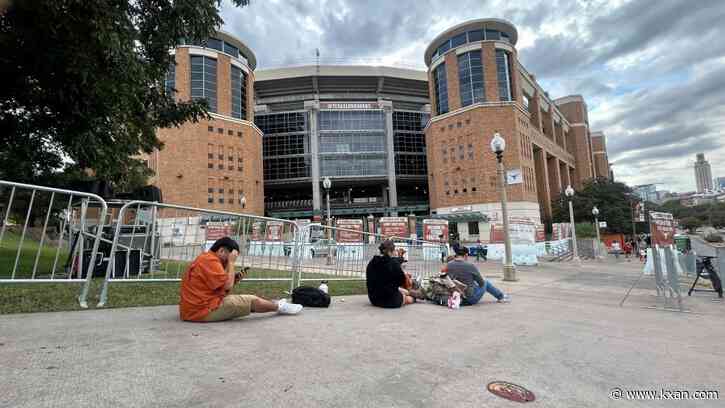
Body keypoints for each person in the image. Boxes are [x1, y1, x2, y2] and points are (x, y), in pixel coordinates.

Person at [179, 237, 303, 322]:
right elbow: (227, 286)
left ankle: (276, 305)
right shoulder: (210, 261)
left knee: (249, 299)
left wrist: (235, 278)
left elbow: (222, 289)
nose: (231, 260)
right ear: (221, 251)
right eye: (231, 256)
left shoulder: (206, 258)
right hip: (202, 311)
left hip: (194, 310)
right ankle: (279, 307)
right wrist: (231, 263)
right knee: (250, 300)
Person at [366, 240, 423, 308]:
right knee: (410, 299)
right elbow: (401, 281)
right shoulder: (393, 263)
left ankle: (411, 293)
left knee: (394, 288)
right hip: (391, 300)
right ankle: (415, 295)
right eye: (394, 251)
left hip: (374, 299)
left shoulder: (371, 263)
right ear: (390, 252)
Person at [446, 246, 510, 305]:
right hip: (469, 299)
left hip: (456, 296)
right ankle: (501, 297)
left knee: (473, 284)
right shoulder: (470, 266)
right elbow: (481, 283)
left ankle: (501, 296)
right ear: (466, 255)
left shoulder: (449, 264)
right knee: (486, 282)